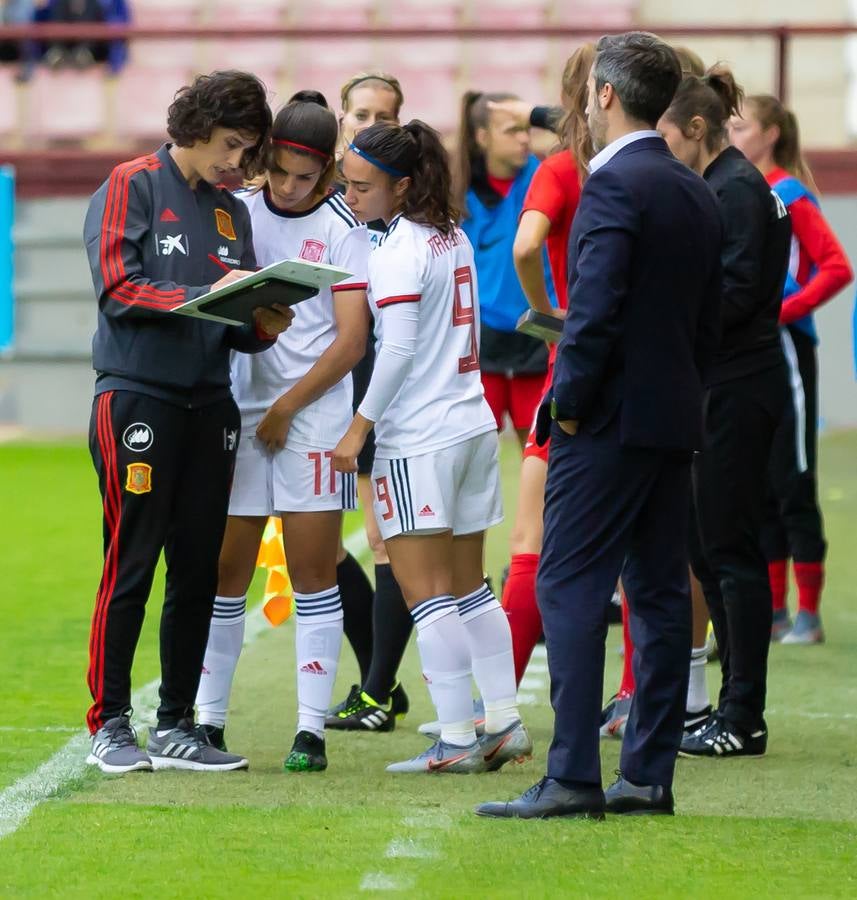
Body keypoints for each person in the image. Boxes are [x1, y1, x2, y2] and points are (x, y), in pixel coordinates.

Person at [477, 32, 721, 819]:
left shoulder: (614, 185)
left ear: (606, 96)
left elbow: (594, 312)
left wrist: (570, 403)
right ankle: (646, 775)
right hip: (671, 418)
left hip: (607, 422)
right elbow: (706, 321)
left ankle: (573, 774)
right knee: (654, 595)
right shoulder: (693, 187)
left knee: (568, 586)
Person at [83, 71, 293, 774]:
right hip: (138, 396)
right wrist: (209, 294)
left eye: (247, 148)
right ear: (194, 126)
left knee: (198, 568)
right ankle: (110, 724)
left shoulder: (232, 212)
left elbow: (234, 321)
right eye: (230, 145)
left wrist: (263, 322)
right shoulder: (131, 183)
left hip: (211, 403)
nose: (237, 162)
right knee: (132, 560)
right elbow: (118, 286)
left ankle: (176, 724)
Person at [333, 119, 531, 773]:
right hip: (470, 425)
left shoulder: (397, 251)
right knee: (471, 587)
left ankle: (453, 737)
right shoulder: (452, 237)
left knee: (427, 594)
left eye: (362, 186)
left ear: (403, 184)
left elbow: (399, 349)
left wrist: (359, 425)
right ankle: (501, 719)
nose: (351, 195)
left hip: (420, 436)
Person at [193, 91, 371, 772]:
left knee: (312, 573)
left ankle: (309, 731)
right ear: (264, 158)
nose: (293, 188)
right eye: (283, 171)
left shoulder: (342, 226)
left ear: (326, 174)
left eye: (308, 177)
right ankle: (207, 722)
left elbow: (351, 341)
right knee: (226, 573)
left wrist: (287, 407)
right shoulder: (234, 213)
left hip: (312, 418)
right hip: (239, 411)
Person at [658, 69, 791, 758]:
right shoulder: (720, 186)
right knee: (706, 549)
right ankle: (726, 704)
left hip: (738, 388)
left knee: (730, 551)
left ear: (696, 130)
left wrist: (660, 318)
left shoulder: (737, 190)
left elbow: (736, 297)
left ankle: (744, 714)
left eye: (665, 135)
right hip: (716, 385)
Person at [729, 96, 853, 644]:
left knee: (792, 477)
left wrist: (782, 311)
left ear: (771, 133)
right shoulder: (737, 189)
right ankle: (775, 612)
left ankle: (809, 613)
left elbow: (836, 266)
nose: (732, 134)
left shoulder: (789, 193)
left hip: (785, 352)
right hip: (747, 353)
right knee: (754, 482)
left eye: (742, 126)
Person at [325, 71, 416, 731]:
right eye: (360, 113)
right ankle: (377, 675)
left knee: (387, 541)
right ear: (341, 118)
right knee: (317, 541)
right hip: (324, 382)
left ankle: (378, 690)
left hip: (382, 384)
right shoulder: (320, 200)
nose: (368, 124)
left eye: (383, 116)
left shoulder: (405, 214)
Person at [501, 44, 593, 685]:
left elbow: (526, 244)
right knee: (640, 552)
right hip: (652, 374)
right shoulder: (665, 168)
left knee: (528, 537)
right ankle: (636, 697)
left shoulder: (562, 168)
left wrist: (546, 313)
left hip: (573, 368)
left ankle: (497, 707)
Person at [455, 91, 556, 448]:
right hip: (481, 339)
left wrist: (537, 113)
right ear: (482, 137)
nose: (525, 138)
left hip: (538, 332)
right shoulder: (456, 190)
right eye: (512, 130)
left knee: (542, 450)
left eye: (527, 129)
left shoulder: (547, 174)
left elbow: (581, 132)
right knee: (473, 454)